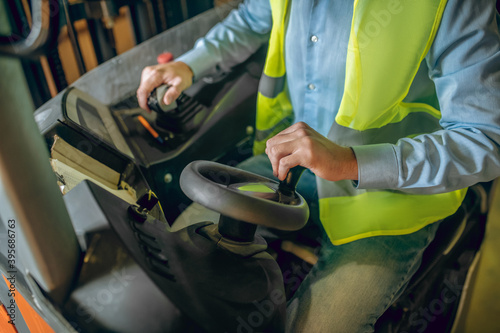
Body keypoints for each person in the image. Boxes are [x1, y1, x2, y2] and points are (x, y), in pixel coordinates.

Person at [137, 0, 500, 331]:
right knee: (179, 255)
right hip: (289, 169)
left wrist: (351, 162)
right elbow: (252, 17)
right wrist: (190, 63)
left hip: (393, 202)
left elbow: (485, 136)